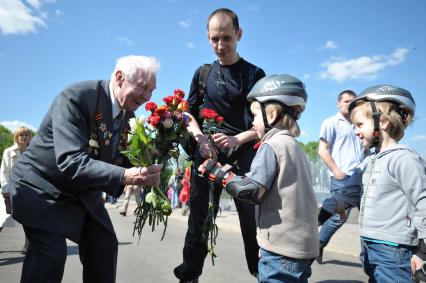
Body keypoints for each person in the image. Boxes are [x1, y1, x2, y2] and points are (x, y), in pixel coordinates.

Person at [9, 55, 163, 283]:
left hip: (81, 191)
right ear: (120, 78)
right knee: (51, 255)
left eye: (152, 90)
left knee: (104, 245)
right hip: (40, 185)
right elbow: (71, 160)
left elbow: (119, 161)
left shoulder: (128, 117)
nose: (147, 96)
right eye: (142, 87)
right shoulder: (77, 97)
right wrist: (125, 175)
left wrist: (152, 159)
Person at [174, 8, 265, 282]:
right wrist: (200, 138)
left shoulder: (254, 75)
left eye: (226, 38)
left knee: (253, 224)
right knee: (198, 223)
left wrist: (238, 138)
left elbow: (264, 124)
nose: (220, 46)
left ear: (239, 34)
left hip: (244, 162)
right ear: (208, 37)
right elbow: (187, 113)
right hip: (206, 159)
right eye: (214, 39)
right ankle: (189, 276)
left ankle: (262, 273)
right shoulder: (202, 74)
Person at [198, 74, 319, 282]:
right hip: (302, 248)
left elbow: (250, 190)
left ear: (271, 115)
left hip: (281, 250)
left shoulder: (271, 144)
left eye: (255, 116)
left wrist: (216, 172)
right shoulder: (296, 148)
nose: (253, 123)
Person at [348, 85, 426, 282]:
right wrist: (320, 217)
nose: (355, 131)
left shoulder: (403, 159)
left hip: (395, 250)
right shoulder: (369, 161)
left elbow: (423, 202)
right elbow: (348, 193)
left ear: (381, 121)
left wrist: (423, 251)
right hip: (369, 245)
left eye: (359, 124)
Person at [316, 90, 365, 263]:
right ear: (338, 103)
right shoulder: (331, 122)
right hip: (342, 181)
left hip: (363, 178)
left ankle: (368, 260)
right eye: (346, 101)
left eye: (353, 101)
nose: (349, 104)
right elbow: (322, 149)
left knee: (367, 220)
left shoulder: (359, 123)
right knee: (339, 216)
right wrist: (336, 170)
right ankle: (318, 244)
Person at [0, 127, 32, 255]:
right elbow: (4, 173)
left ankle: (27, 246)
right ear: (16, 137)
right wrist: (6, 193)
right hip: (9, 190)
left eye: (26, 135)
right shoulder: (8, 152)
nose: (23, 137)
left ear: (30, 137)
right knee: (2, 218)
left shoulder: (33, 152)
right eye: (21, 135)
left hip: (28, 190)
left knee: (29, 219)